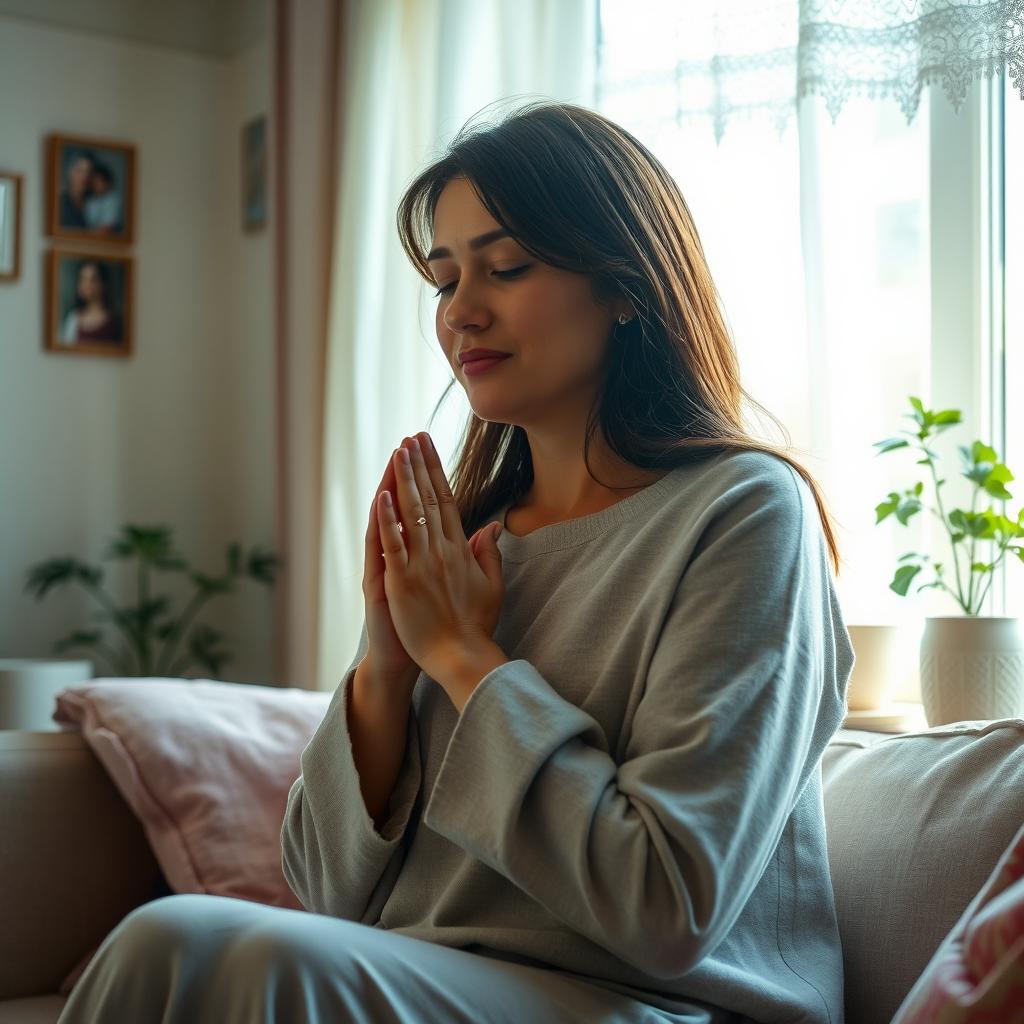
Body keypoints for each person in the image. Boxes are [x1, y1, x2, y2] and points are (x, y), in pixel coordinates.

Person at [57, 99, 855, 1023]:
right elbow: (323, 891)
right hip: (437, 982)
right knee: (171, 940)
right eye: (444, 281)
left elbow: (664, 905)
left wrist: (467, 660)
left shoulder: (744, 513)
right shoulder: (462, 545)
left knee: (223, 955)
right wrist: (388, 666)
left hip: (655, 1003)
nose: (462, 311)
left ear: (628, 285)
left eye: (506, 267)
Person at [60, 259, 121, 345]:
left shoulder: (114, 324)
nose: (86, 285)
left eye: (92, 279)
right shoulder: (73, 318)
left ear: (103, 284)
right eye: (83, 279)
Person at [83, 161, 123, 234]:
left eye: (99, 181)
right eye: (94, 181)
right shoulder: (90, 199)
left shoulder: (112, 199)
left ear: (107, 183)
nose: (96, 184)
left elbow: (107, 228)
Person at [58, 151, 94, 230]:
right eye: (79, 170)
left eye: (88, 171)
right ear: (70, 172)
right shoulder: (60, 202)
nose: (84, 176)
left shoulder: (94, 201)